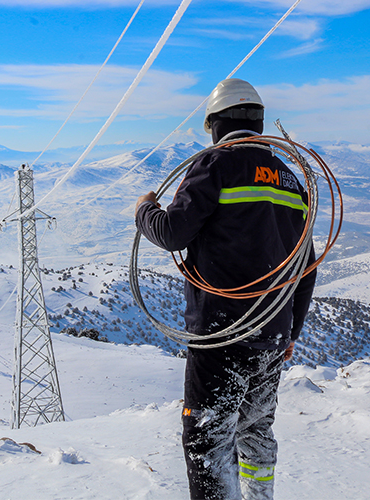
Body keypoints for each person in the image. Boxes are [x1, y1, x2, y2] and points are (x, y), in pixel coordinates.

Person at [134, 78, 316, 500]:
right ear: (259, 123)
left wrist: (144, 209)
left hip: (221, 333)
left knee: (207, 439)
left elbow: (172, 232)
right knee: (255, 428)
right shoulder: (292, 181)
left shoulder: (215, 165)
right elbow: (305, 268)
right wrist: (291, 332)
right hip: (271, 334)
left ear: (215, 124)